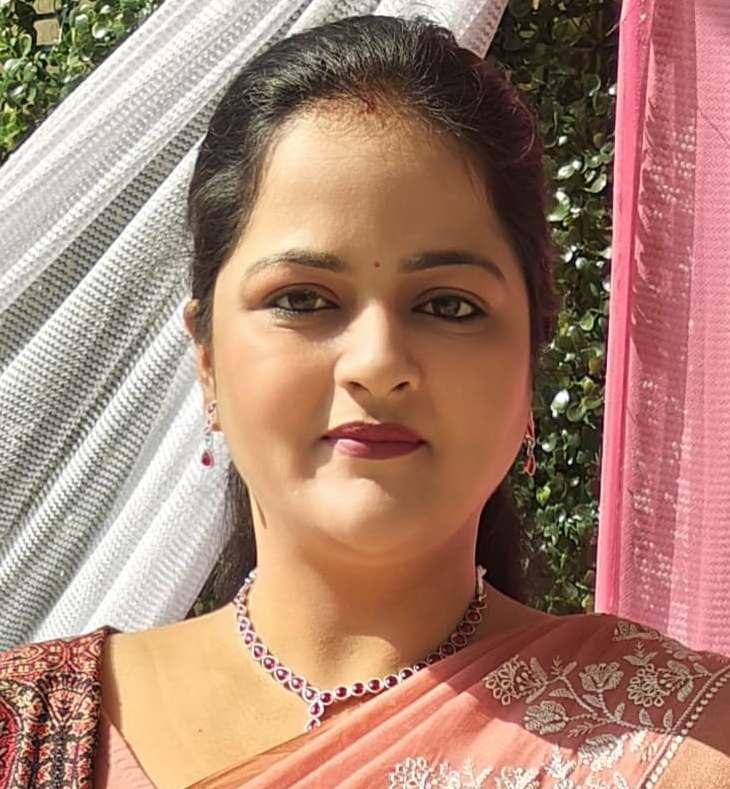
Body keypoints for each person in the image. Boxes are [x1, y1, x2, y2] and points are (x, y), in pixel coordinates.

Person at [1, 13, 729, 789]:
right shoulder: (28, 729)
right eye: (303, 298)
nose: (378, 363)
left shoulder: (691, 742)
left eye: (448, 305)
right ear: (207, 358)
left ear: (529, 362)